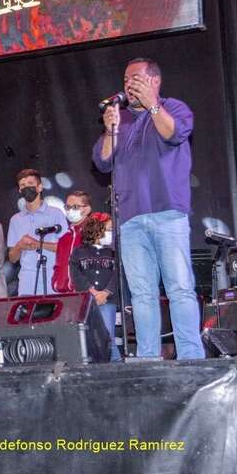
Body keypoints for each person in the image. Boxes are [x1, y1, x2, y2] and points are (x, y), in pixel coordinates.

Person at [93, 57, 204, 359]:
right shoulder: (122, 120)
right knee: (142, 295)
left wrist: (154, 104)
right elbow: (102, 162)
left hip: (168, 214)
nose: (128, 84)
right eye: (126, 79)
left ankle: (192, 359)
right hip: (130, 220)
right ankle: (148, 358)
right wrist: (109, 130)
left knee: (179, 288)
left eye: (136, 78)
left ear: (154, 81)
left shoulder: (174, 108)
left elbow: (174, 133)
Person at [69, 213, 122, 362]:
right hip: (87, 302)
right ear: (97, 229)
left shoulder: (113, 252)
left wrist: (105, 292)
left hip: (107, 300)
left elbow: (117, 273)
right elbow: (76, 274)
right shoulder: (79, 252)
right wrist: (91, 291)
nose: (111, 233)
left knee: (108, 336)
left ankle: (115, 362)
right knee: (88, 335)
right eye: (109, 229)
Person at [7, 169, 68, 295]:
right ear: (19, 190)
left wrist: (38, 244)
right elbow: (12, 258)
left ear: (39, 187)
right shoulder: (15, 219)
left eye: (30, 184)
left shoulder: (56, 213)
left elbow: (65, 248)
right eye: (22, 185)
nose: (26, 188)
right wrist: (19, 246)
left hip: (52, 278)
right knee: (27, 314)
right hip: (26, 282)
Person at [52, 190, 93, 293]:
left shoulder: (95, 234)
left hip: (91, 295)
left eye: (75, 207)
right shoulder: (64, 238)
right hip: (67, 297)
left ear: (87, 209)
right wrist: (56, 284)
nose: (70, 211)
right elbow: (58, 266)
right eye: (67, 207)